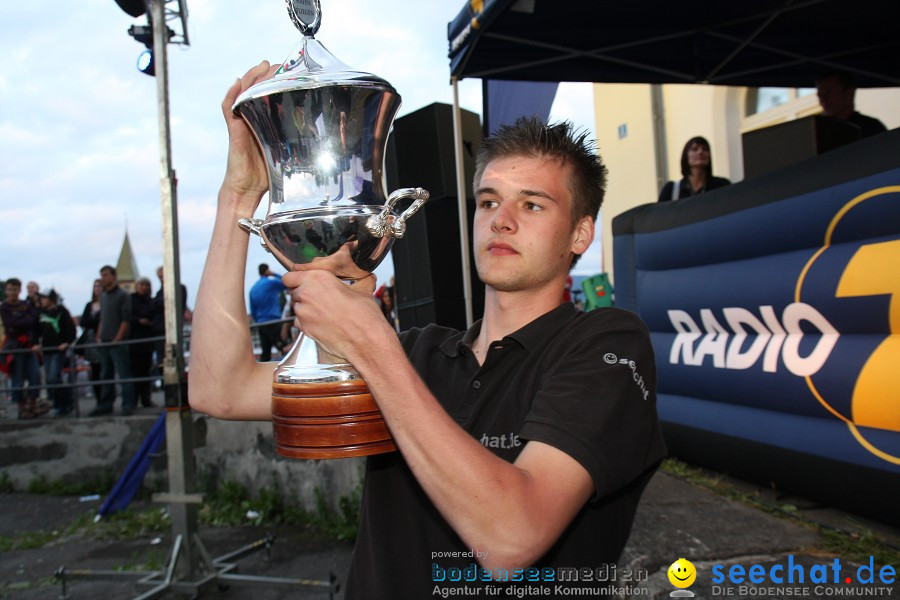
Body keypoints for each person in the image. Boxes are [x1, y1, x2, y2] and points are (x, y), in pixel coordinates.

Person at [189, 61, 666, 598]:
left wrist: (370, 344)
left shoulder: (606, 346)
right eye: (488, 201)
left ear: (581, 234)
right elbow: (218, 387)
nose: (501, 220)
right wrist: (239, 194)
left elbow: (511, 538)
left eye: (532, 204)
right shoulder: (419, 354)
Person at [91, 265, 135, 416]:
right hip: (104, 340)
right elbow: (102, 318)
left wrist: (118, 338)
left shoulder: (123, 295)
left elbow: (126, 319)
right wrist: (98, 335)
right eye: (101, 275)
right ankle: (106, 404)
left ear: (113, 276)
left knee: (124, 373)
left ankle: (128, 404)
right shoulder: (103, 296)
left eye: (105, 275)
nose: (103, 278)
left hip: (117, 341)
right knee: (105, 374)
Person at [1, 278, 43, 419]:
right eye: (10, 289)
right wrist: (25, 322)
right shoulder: (5, 307)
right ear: (6, 291)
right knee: (17, 379)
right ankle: (21, 408)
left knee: (35, 376)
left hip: (29, 346)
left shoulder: (26, 305)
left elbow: (34, 321)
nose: (12, 292)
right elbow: (12, 325)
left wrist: (23, 323)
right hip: (15, 347)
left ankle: (32, 405)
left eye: (15, 289)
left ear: (19, 290)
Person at [34, 289, 76, 417]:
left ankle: (65, 403)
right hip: (47, 350)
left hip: (58, 349)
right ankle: (63, 404)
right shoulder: (41, 313)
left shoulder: (62, 311)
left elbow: (71, 329)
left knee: (54, 377)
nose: (41, 300)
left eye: (44, 298)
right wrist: (36, 343)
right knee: (51, 379)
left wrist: (67, 342)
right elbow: (36, 330)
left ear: (50, 299)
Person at [815, 71, 887, 139]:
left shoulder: (871, 128)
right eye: (820, 95)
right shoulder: (816, 130)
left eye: (829, 92)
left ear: (849, 93)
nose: (823, 99)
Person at [657, 136, 731, 202]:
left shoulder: (722, 186)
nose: (701, 152)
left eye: (705, 149)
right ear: (686, 156)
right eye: (695, 149)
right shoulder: (671, 190)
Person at [248, 263, 287, 362]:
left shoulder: (253, 289)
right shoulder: (271, 283)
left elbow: (252, 310)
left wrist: (258, 322)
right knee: (284, 348)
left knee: (265, 353)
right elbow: (286, 283)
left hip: (261, 323)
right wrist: (273, 274)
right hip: (273, 321)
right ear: (267, 271)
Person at [77, 279, 104, 403]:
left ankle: (105, 398)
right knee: (95, 370)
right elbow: (83, 321)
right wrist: (96, 322)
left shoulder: (106, 303)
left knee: (106, 370)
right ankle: (99, 398)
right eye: (95, 286)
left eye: (99, 286)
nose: (97, 288)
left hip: (103, 338)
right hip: (91, 341)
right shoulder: (89, 305)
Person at [130, 276, 155, 408]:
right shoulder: (131, 299)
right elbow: (128, 316)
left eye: (146, 285)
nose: (144, 287)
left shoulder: (150, 300)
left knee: (146, 371)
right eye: (142, 285)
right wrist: (139, 321)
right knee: (135, 372)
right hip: (134, 340)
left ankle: (146, 398)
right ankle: (134, 399)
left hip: (147, 341)